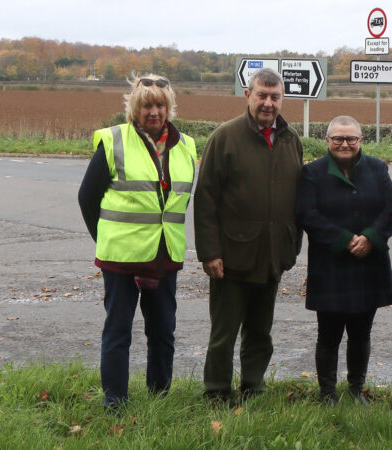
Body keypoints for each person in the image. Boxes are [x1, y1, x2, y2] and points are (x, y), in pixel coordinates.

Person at [78, 73, 196, 408]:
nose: (154, 112)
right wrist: (106, 241)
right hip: (121, 258)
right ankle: (115, 401)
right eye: (147, 105)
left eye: (160, 104)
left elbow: (181, 200)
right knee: (118, 332)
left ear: (169, 107)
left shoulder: (186, 146)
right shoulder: (114, 141)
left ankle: (159, 396)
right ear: (135, 107)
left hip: (165, 255)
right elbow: (87, 198)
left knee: (162, 332)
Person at [194, 68, 303, 403]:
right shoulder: (225, 137)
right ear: (248, 95)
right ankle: (217, 392)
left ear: (282, 99)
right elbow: (206, 198)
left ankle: (253, 388)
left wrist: (290, 246)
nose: (268, 103)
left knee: (260, 332)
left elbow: (297, 199)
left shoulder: (291, 140)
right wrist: (209, 253)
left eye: (275, 97)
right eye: (262, 96)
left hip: (272, 257)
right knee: (224, 334)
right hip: (231, 258)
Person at [296, 115, 392, 405]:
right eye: (338, 139)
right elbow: (307, 214)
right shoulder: (312, 172)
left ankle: (356, 390)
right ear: (327, 141)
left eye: (351, 138)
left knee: (361, 333)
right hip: (331, 266)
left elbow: (390, 209)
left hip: (369, 263)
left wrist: (370, 238)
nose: (344, 144)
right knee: (328, 334)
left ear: (360, 140)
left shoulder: (377, 169)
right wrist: (345, 240)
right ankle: (327, 393)